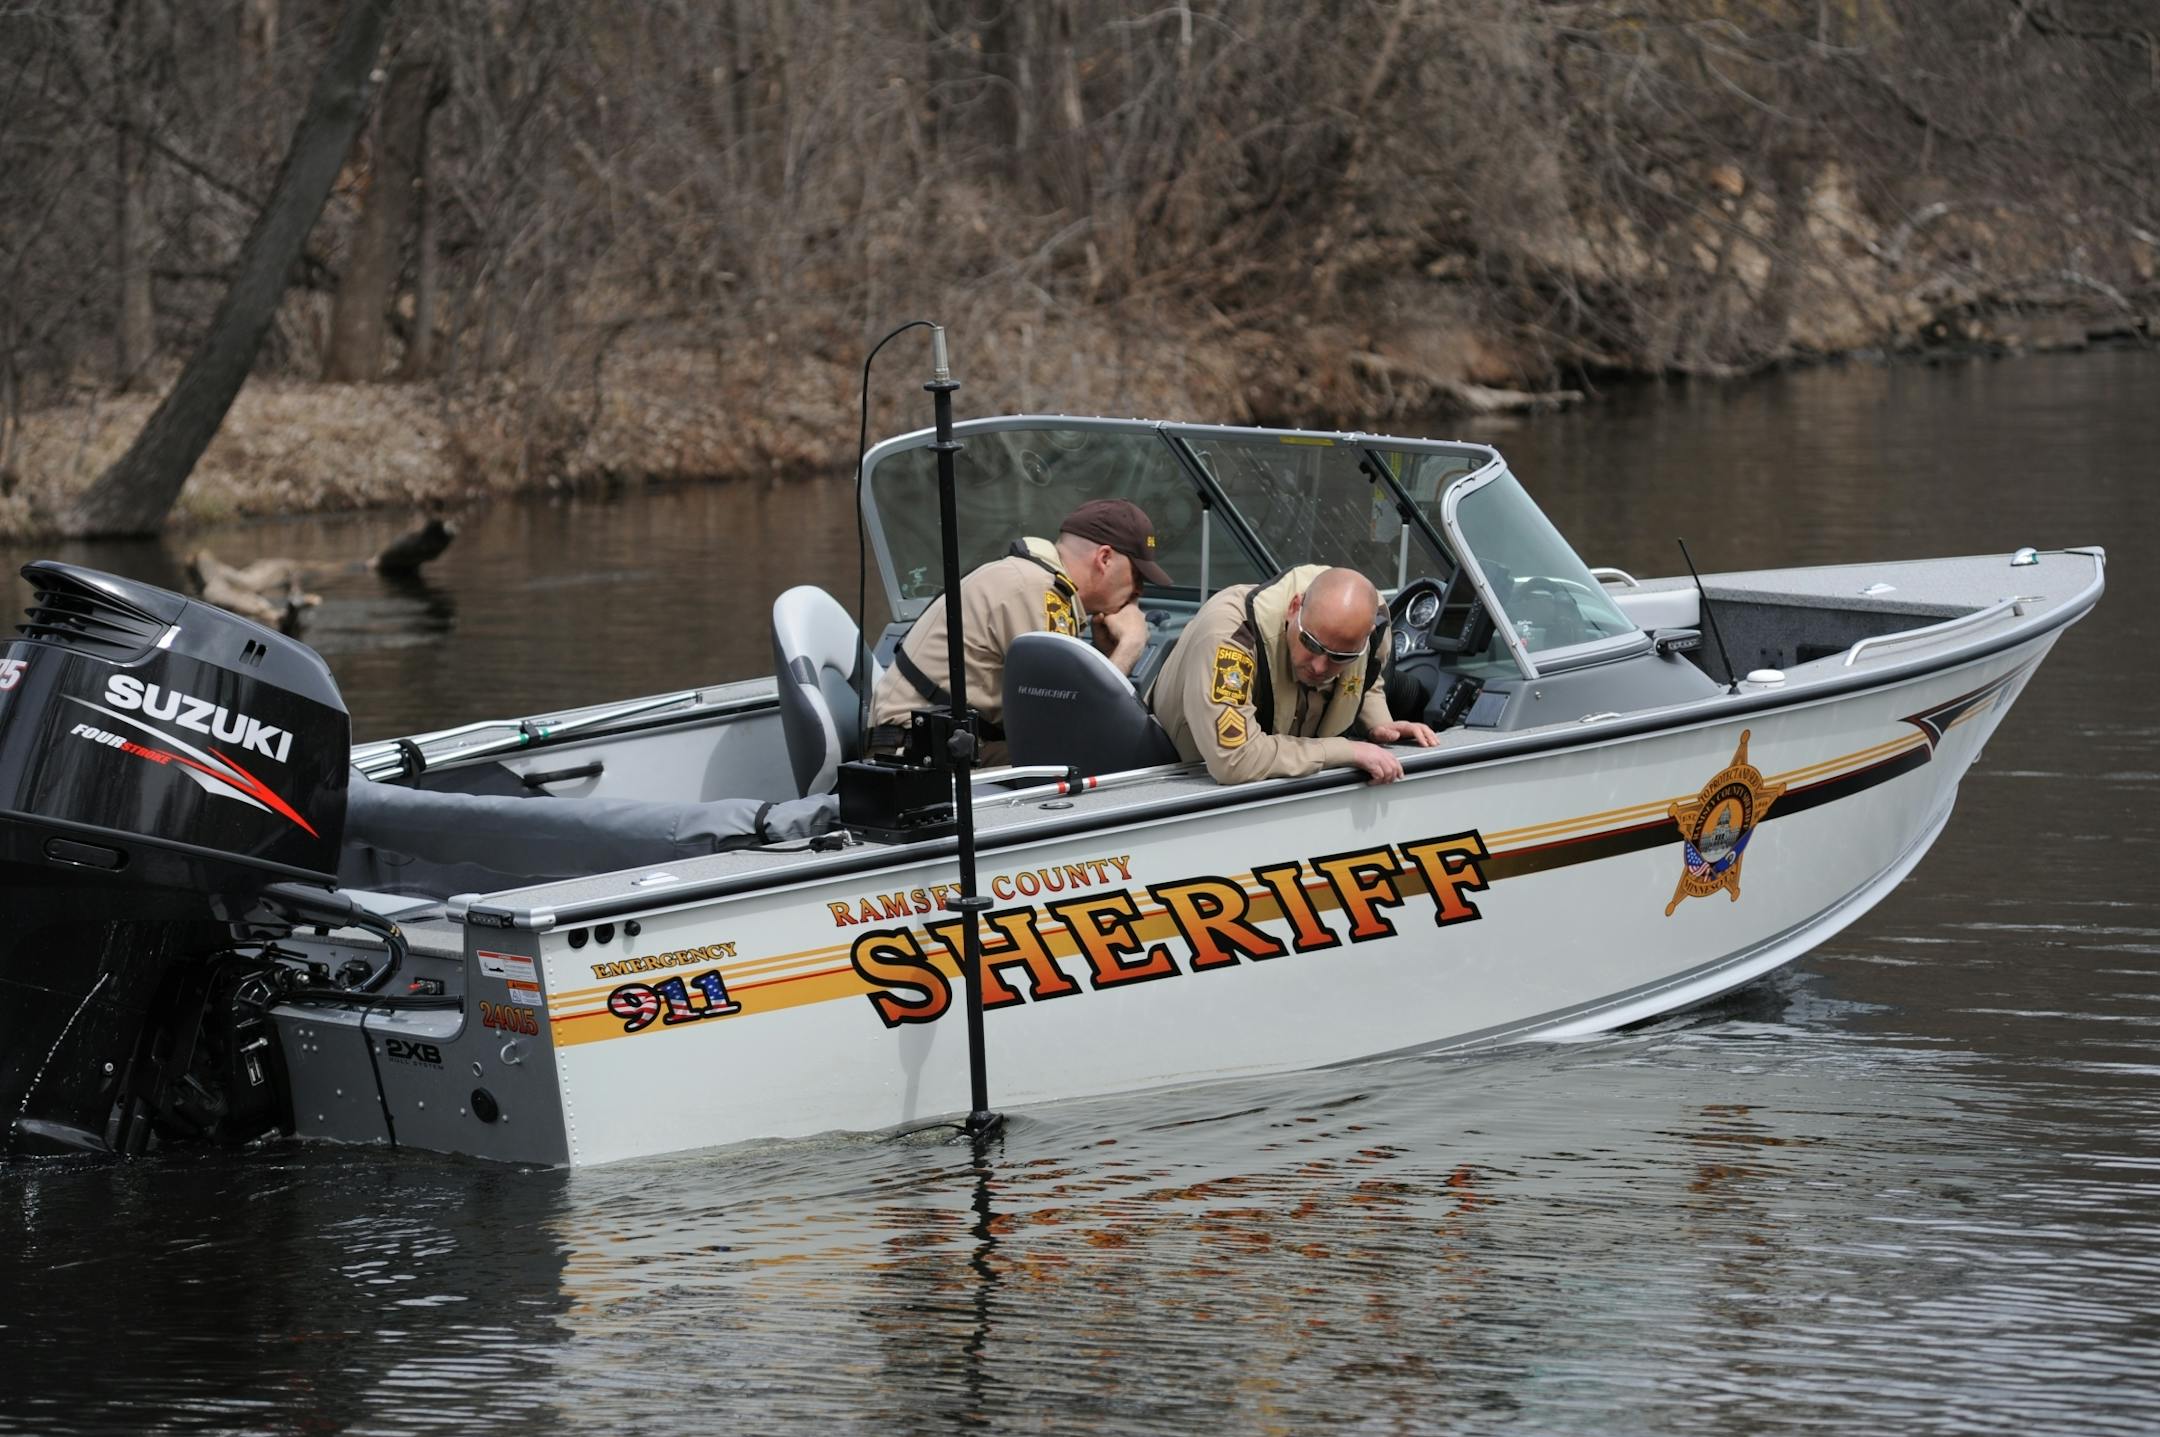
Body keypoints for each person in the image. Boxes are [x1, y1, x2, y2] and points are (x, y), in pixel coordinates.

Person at [869, 498, 1174, 761]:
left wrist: (1103, 656)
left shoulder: (1034, 581)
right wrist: (1130, 646)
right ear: (1104, 558)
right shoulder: (1038, 591)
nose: (1139, 592)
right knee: (1092, 758)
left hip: (938, 741)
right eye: (1137, 576)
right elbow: (1069, 725)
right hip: (914, 753)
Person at [1150, 565, 1437, 784]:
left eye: (1341, 657)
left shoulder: (1374, 622)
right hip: (1182, 782)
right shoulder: (1231, 638)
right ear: (1294, 607)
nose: (1320, 667)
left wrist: (1378, 726)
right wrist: (1347, 751)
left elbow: (1368, 679)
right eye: (1311, 644)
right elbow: (1235, 760)